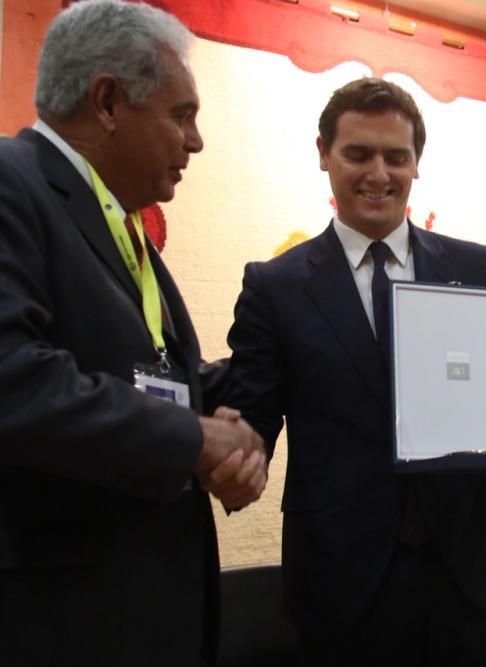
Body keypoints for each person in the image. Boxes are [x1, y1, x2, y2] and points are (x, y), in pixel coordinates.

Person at [222, 77, 486, 666]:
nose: (378, 174)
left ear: (416, 164)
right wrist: (226, 460)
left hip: (468, 575)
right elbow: (253, 412)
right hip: (341, 580)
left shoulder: (474, 264)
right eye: (358, 154)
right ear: (323, 154)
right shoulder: (274, 286)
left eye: (396, 157)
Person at [0, 1, 267, 665]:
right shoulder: (12, 184)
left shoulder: (123, 227)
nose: (196, 141)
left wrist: (228, 428)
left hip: (150, 612)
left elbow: (153, 380)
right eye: (182, 115)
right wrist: (191, 438)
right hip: (62, 621)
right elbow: (13, 377)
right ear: (109, 101)